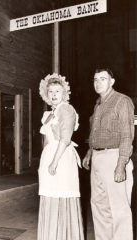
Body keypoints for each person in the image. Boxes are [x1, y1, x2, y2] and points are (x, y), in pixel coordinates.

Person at [83, 68, 134, 240]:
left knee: (119, 209)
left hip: (115, 157)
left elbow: (127, 135)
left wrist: (121, 165)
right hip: (98, 159)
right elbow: (96, 132)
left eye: (103, 79)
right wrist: (90, 152)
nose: (98, 83)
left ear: (112, 81)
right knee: (99, 207)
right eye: (95, 79)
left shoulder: (122, 101)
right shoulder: (98, 103)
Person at [38, 73, 84, 240]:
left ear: (64, 93)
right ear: (46, 94)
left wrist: (54, 163)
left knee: (60, 195)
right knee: (50, 195)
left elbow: (65, 140)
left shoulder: (66, 109)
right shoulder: (49, 114)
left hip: (61, 158)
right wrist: (43, 164)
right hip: (50, 156)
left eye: (57, 91)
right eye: (51, 91)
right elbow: (46, 141)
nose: (54, 94)